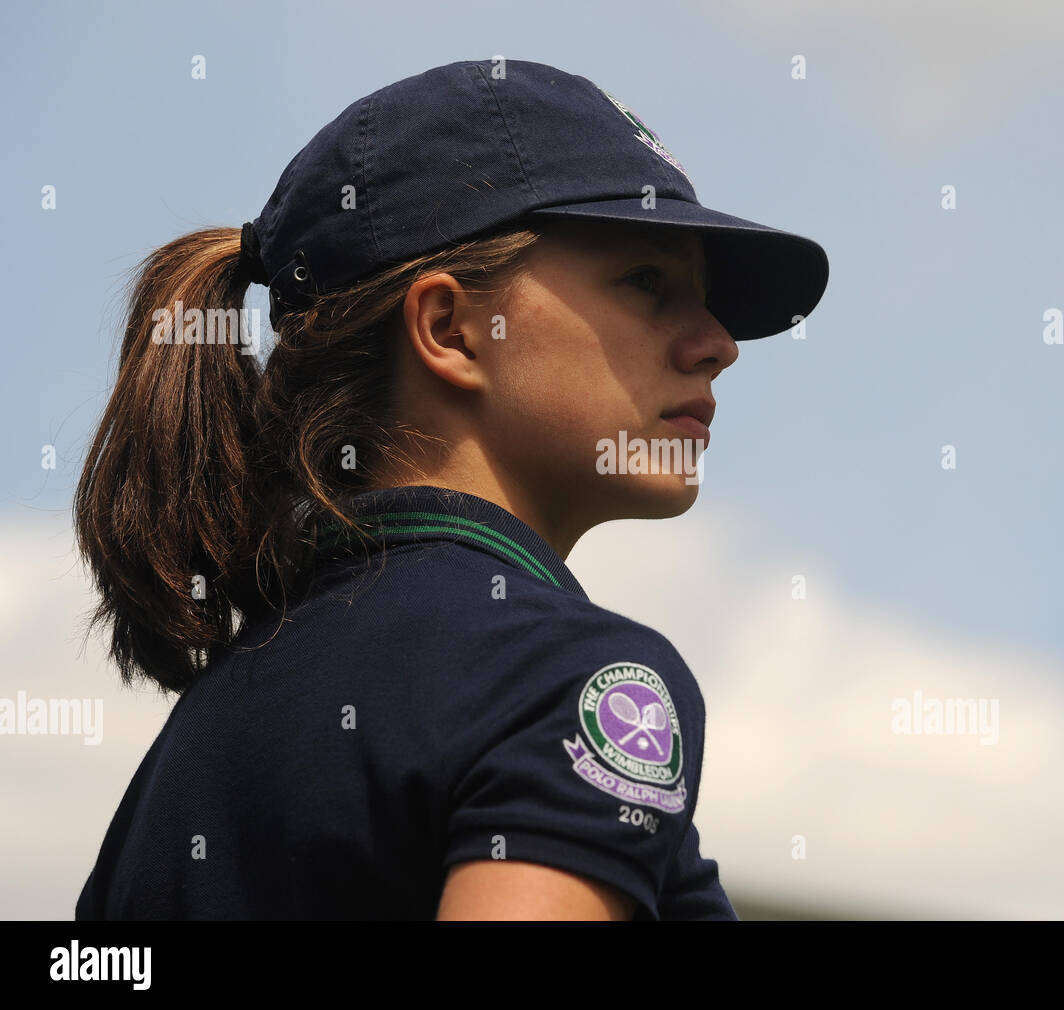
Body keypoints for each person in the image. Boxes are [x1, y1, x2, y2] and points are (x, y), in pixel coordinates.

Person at [73, 58, 828, 921]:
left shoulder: (186, 754)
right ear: (450, 328)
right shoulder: (570, 679)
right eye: (646, 281)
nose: (716, 343)